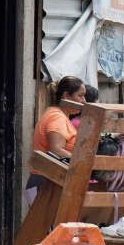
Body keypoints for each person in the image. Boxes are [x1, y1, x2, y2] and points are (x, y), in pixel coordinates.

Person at [26, 77, 83, 205]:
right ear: (66, 96)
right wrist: (83, 161)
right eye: (80, 96)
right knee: (45, 225)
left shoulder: (57, 115)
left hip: (49, 181)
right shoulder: (57, 117)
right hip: (45, 182)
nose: (83, 101)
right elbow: (56, 150)